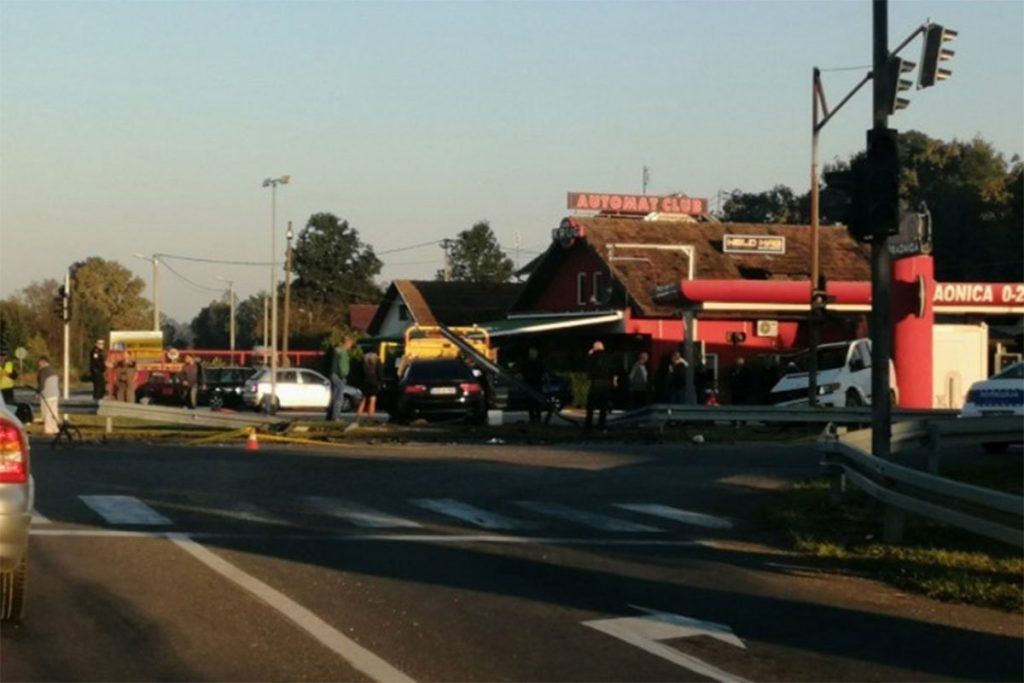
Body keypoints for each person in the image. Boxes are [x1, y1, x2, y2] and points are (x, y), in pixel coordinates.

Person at [584, 340, 615, 433]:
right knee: (603, 405)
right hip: (607, 382)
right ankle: (602, 425)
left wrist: (589, 355)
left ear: (595, 348)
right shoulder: (609, 356)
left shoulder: (593, 356)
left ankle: (588, 425)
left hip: (596, 381)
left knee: (591, 404)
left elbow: (587, 367)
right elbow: (613, 369)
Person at [329, 337, 352, 421]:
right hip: (339, 377)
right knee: (339, 398)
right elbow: (342, 366)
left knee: (334, 397)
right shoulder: (342, 352)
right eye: (350, 344)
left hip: (334, 375)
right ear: (347, 343)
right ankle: (336, 417)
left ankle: (332, 416)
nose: (350, 346)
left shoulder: (336, 351)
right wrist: (343, 375)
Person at [37, 356, 60, 435]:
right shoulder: (54, 370)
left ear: (43, 362)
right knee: (54, 411)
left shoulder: (43, 371)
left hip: (47, 394)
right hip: (55, 394)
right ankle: (55, 428)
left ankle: (48, 429)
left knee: (46, 413)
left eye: (39, 362)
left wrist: (37, 392)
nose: (38, 364)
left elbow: (42, 384)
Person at [521, 347, 545, 424]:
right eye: (531, 353)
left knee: (537, 403)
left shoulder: (539, 362)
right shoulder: (527, 362)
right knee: (530, 403)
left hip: (537, 384)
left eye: (533, 353)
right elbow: (523, 371)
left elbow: (543, 372)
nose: (532, 355)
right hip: (529, 384)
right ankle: (532, 418)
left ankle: (538, 418)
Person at [357, 349, 382, 420]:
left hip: (364, 381)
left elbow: (359, 371)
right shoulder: (377, 360)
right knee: (372, 400)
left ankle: (358, 416)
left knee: (363, 399)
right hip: (374, 381)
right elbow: (380, 372)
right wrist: (380, 381)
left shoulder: (363, 359)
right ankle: (371, 417)